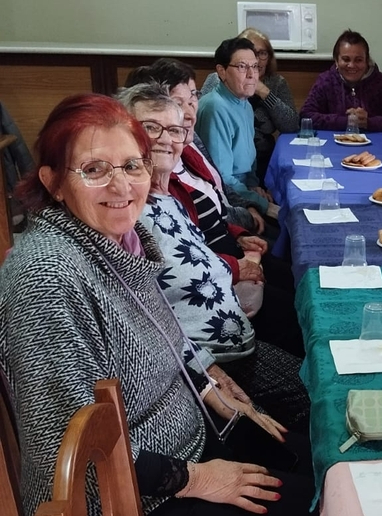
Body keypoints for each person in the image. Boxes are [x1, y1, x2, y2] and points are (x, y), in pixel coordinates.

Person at [0, 93, 316, 516]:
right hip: (128, 492)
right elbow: (70, 446)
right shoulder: (46, 277)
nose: (121, 186)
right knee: (321, 502)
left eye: (133, 165)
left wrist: (212, 388)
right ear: (53, 182)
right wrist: (196, 478)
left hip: (189, 437)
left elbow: (162, 339)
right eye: (94, 169)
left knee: (325, 467)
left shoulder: (121, 241)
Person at [118, 84, 309, 422]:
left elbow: (202, 245)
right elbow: (140, 320)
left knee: (314, 350)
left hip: (235, 344)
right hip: (207, 366)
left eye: (174, 130)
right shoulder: (126, 214)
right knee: (319, 401)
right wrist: (204, 372)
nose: (165, 139)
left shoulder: (169, 199)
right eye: (150, 127)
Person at [125, 58, 267, 236]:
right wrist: (247, 220)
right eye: (177, 103)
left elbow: (218, 186)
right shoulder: (162, 163)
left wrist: (249, 206)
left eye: (193, 97)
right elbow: (205, 219)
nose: (190, 114)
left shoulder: (191, 141)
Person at [202, 28, 299, 180]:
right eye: (242, 65)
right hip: (226, 176)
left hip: (260, 162)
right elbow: (220, 175)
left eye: (262, 54)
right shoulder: (217, 97)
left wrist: (265, 93)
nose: (254, 65)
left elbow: (292, 125)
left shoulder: (250, 99)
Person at [196, 37, 275, 217]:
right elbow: (221, 178)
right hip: (226, 200)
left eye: (255, 66)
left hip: (243, 189)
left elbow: (249, 158)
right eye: (242, 67)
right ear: (222, 71)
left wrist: (254, 185)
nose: (251, 74)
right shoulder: (215, 107)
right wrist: (260, 204)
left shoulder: (244, 102)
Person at [299, 29, 382, 132]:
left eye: (358, 60)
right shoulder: (325, 81)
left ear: (367, 61)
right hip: (334, 143)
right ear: (336, 61)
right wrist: (345, 121)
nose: (352, 65)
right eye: (346, 59)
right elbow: (305, 116)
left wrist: (369, 122)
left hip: (376, 143)